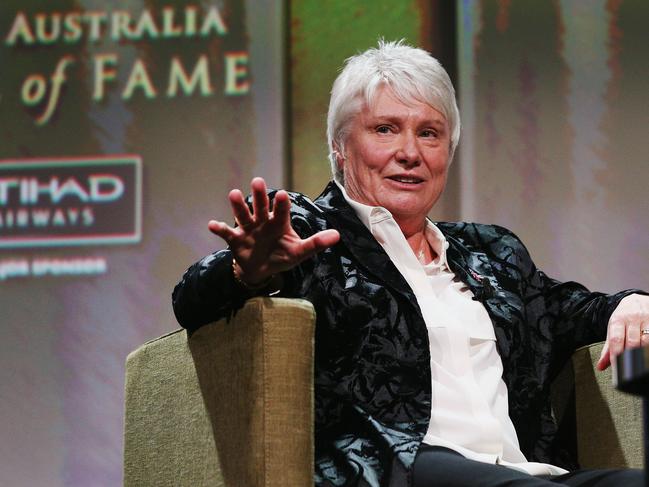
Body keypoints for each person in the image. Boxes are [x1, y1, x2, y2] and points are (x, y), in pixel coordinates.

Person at [172, 40, 648, 487]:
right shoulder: (309, 230)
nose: (409, 153)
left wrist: (629, 305)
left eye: (429, 133)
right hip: (394, 467)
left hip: (522, 472)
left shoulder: (492, 253)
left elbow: (571, 309)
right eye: (385, 129)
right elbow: (192, 299)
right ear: (340, 146)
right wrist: (246, 271)